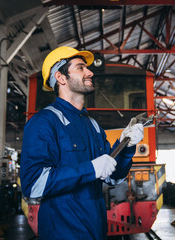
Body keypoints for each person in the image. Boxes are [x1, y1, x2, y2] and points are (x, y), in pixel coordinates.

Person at [20, 46, 144, 239]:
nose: (90, 72)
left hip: (95, 231)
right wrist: (91, 169)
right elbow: (34, 184)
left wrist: (126, 146)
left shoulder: (92, 125)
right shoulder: (43, 122)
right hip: (63, 233)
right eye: (80, 68)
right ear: (61, 78)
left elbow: (113, 178)